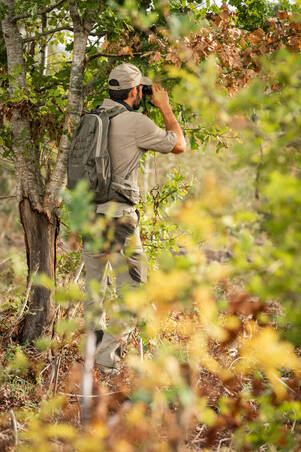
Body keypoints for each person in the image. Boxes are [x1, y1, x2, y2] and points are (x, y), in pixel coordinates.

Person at [82, 62, 186, 372]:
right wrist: (165, 108)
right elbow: (178, 144)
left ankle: (93, 351)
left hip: (90, 214)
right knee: (136, 292)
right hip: (120, 220)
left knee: (94, 289)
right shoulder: (135, 122)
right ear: (134, 92)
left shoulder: (92, 118)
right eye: (141, 89)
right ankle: (106, 357)